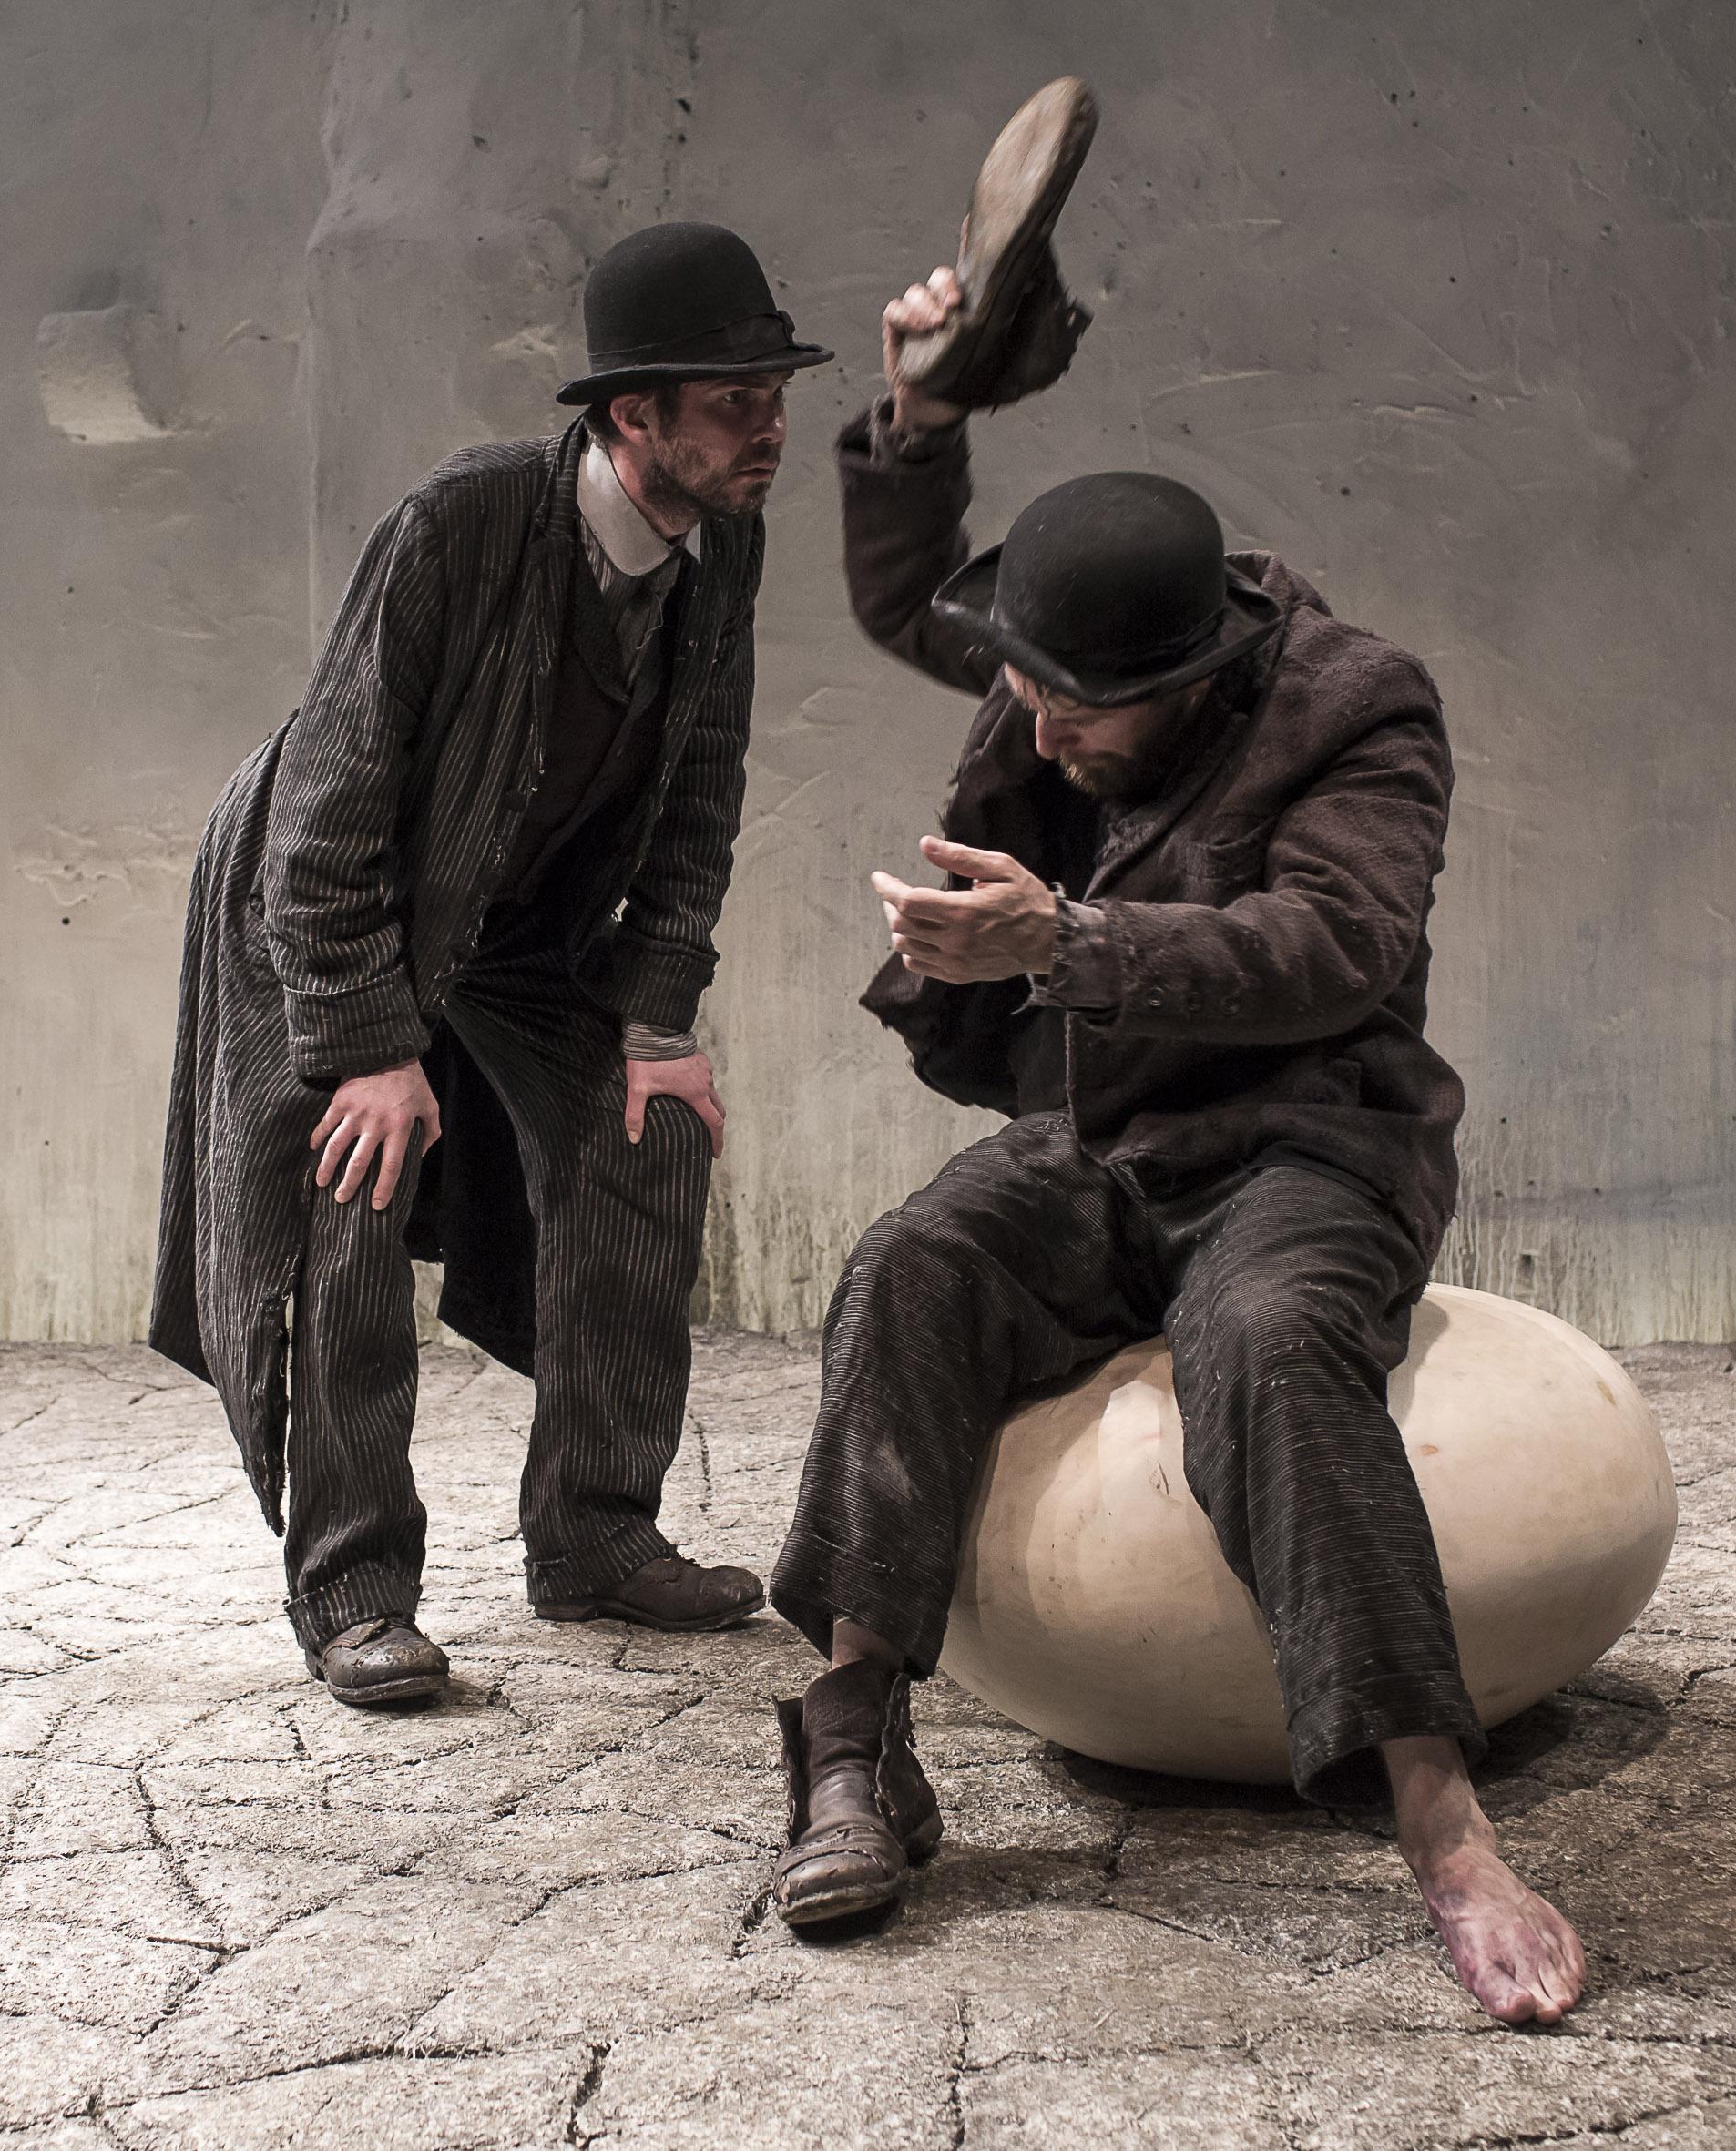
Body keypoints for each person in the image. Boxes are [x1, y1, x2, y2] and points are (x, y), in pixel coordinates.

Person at [763, 263, 1587, 2025]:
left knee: (1274, 1344)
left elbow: (1334, 950)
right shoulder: (1066, 671)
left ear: (1200, 679)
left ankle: (1442, 1820)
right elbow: (912, 590)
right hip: (1112, 1136)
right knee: (915, 1261)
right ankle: (850, 1746)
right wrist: (919, 411)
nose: (1039, 737)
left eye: (1080, 717)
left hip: (1307, 1145)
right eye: (1030, 700)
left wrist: (1065, 944)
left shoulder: (1362, 710)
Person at [149, 223, 831, 1707]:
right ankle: (352, 1586)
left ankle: (594, 1531)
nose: (771, 423)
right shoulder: (466, 523)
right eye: (735, 398)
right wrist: (370, 1047)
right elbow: (324, 814)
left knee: (648, 1131)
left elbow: (702, 793)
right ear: (631, 413)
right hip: (320, 900)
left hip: (521, 920)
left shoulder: (728, 547)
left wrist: (660, 1017)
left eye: (776, 389)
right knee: (356, 1177)